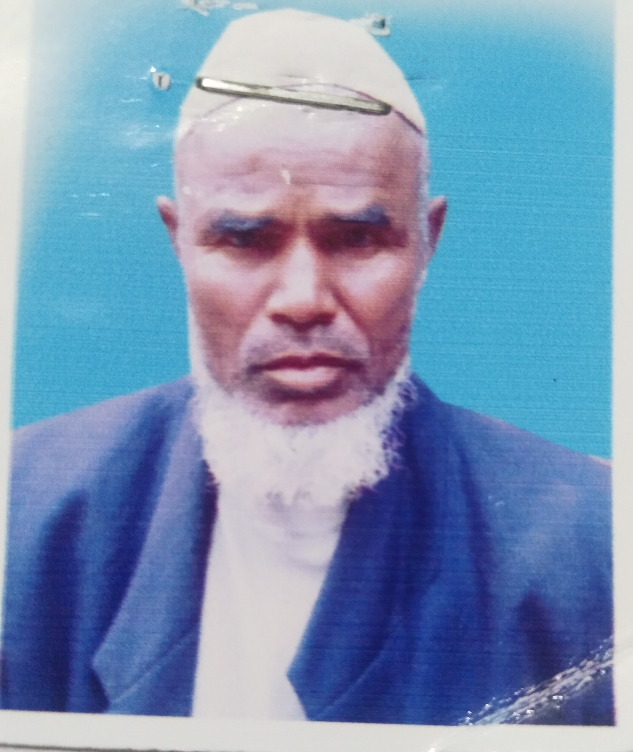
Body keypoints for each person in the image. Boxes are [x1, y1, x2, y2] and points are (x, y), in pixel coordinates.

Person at [1, 9, 613, 725]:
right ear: (180, 241)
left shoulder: (590, 547)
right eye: (244, 240)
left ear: (426, 242)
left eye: (356, 239)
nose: (302, 301)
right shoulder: (24, 514)